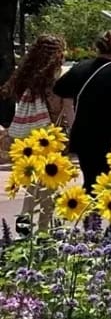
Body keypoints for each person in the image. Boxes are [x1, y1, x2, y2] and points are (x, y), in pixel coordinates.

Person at [51, 28, 111, 187]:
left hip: (85, 137)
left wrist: (72, 120)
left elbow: (61, 91)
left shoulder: (81, 67)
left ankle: (91, 211)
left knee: (91, 182)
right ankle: (110, 212)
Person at [1, 35, 71, 226]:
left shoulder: (27, 78)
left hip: (27, 139)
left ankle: (26, 218)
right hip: (50, 137)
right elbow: (61, 108)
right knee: (49, 184)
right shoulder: (58, 79)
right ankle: (42, 228)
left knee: (33, 182)